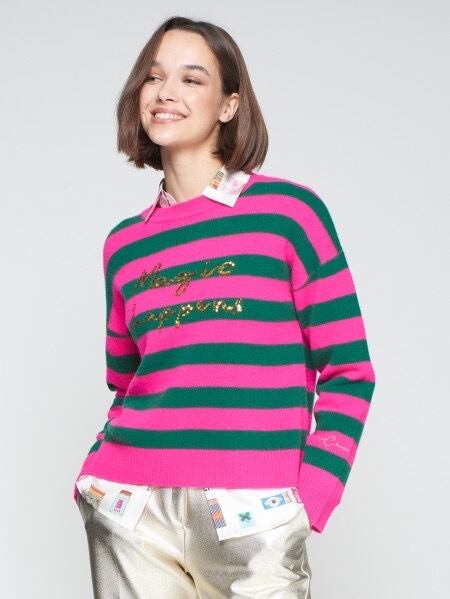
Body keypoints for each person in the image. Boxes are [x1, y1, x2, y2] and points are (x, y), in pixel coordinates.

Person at [73, 15, 376, 599]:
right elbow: (128, 383)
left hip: (253, 511)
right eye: (154, 77)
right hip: (130, 507)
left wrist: (313, 493)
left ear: (229, 105)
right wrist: (96, 478)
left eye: (191, 79)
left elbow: (350, 371)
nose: (166, 92)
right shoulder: (124, 244)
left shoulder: (288, 214)